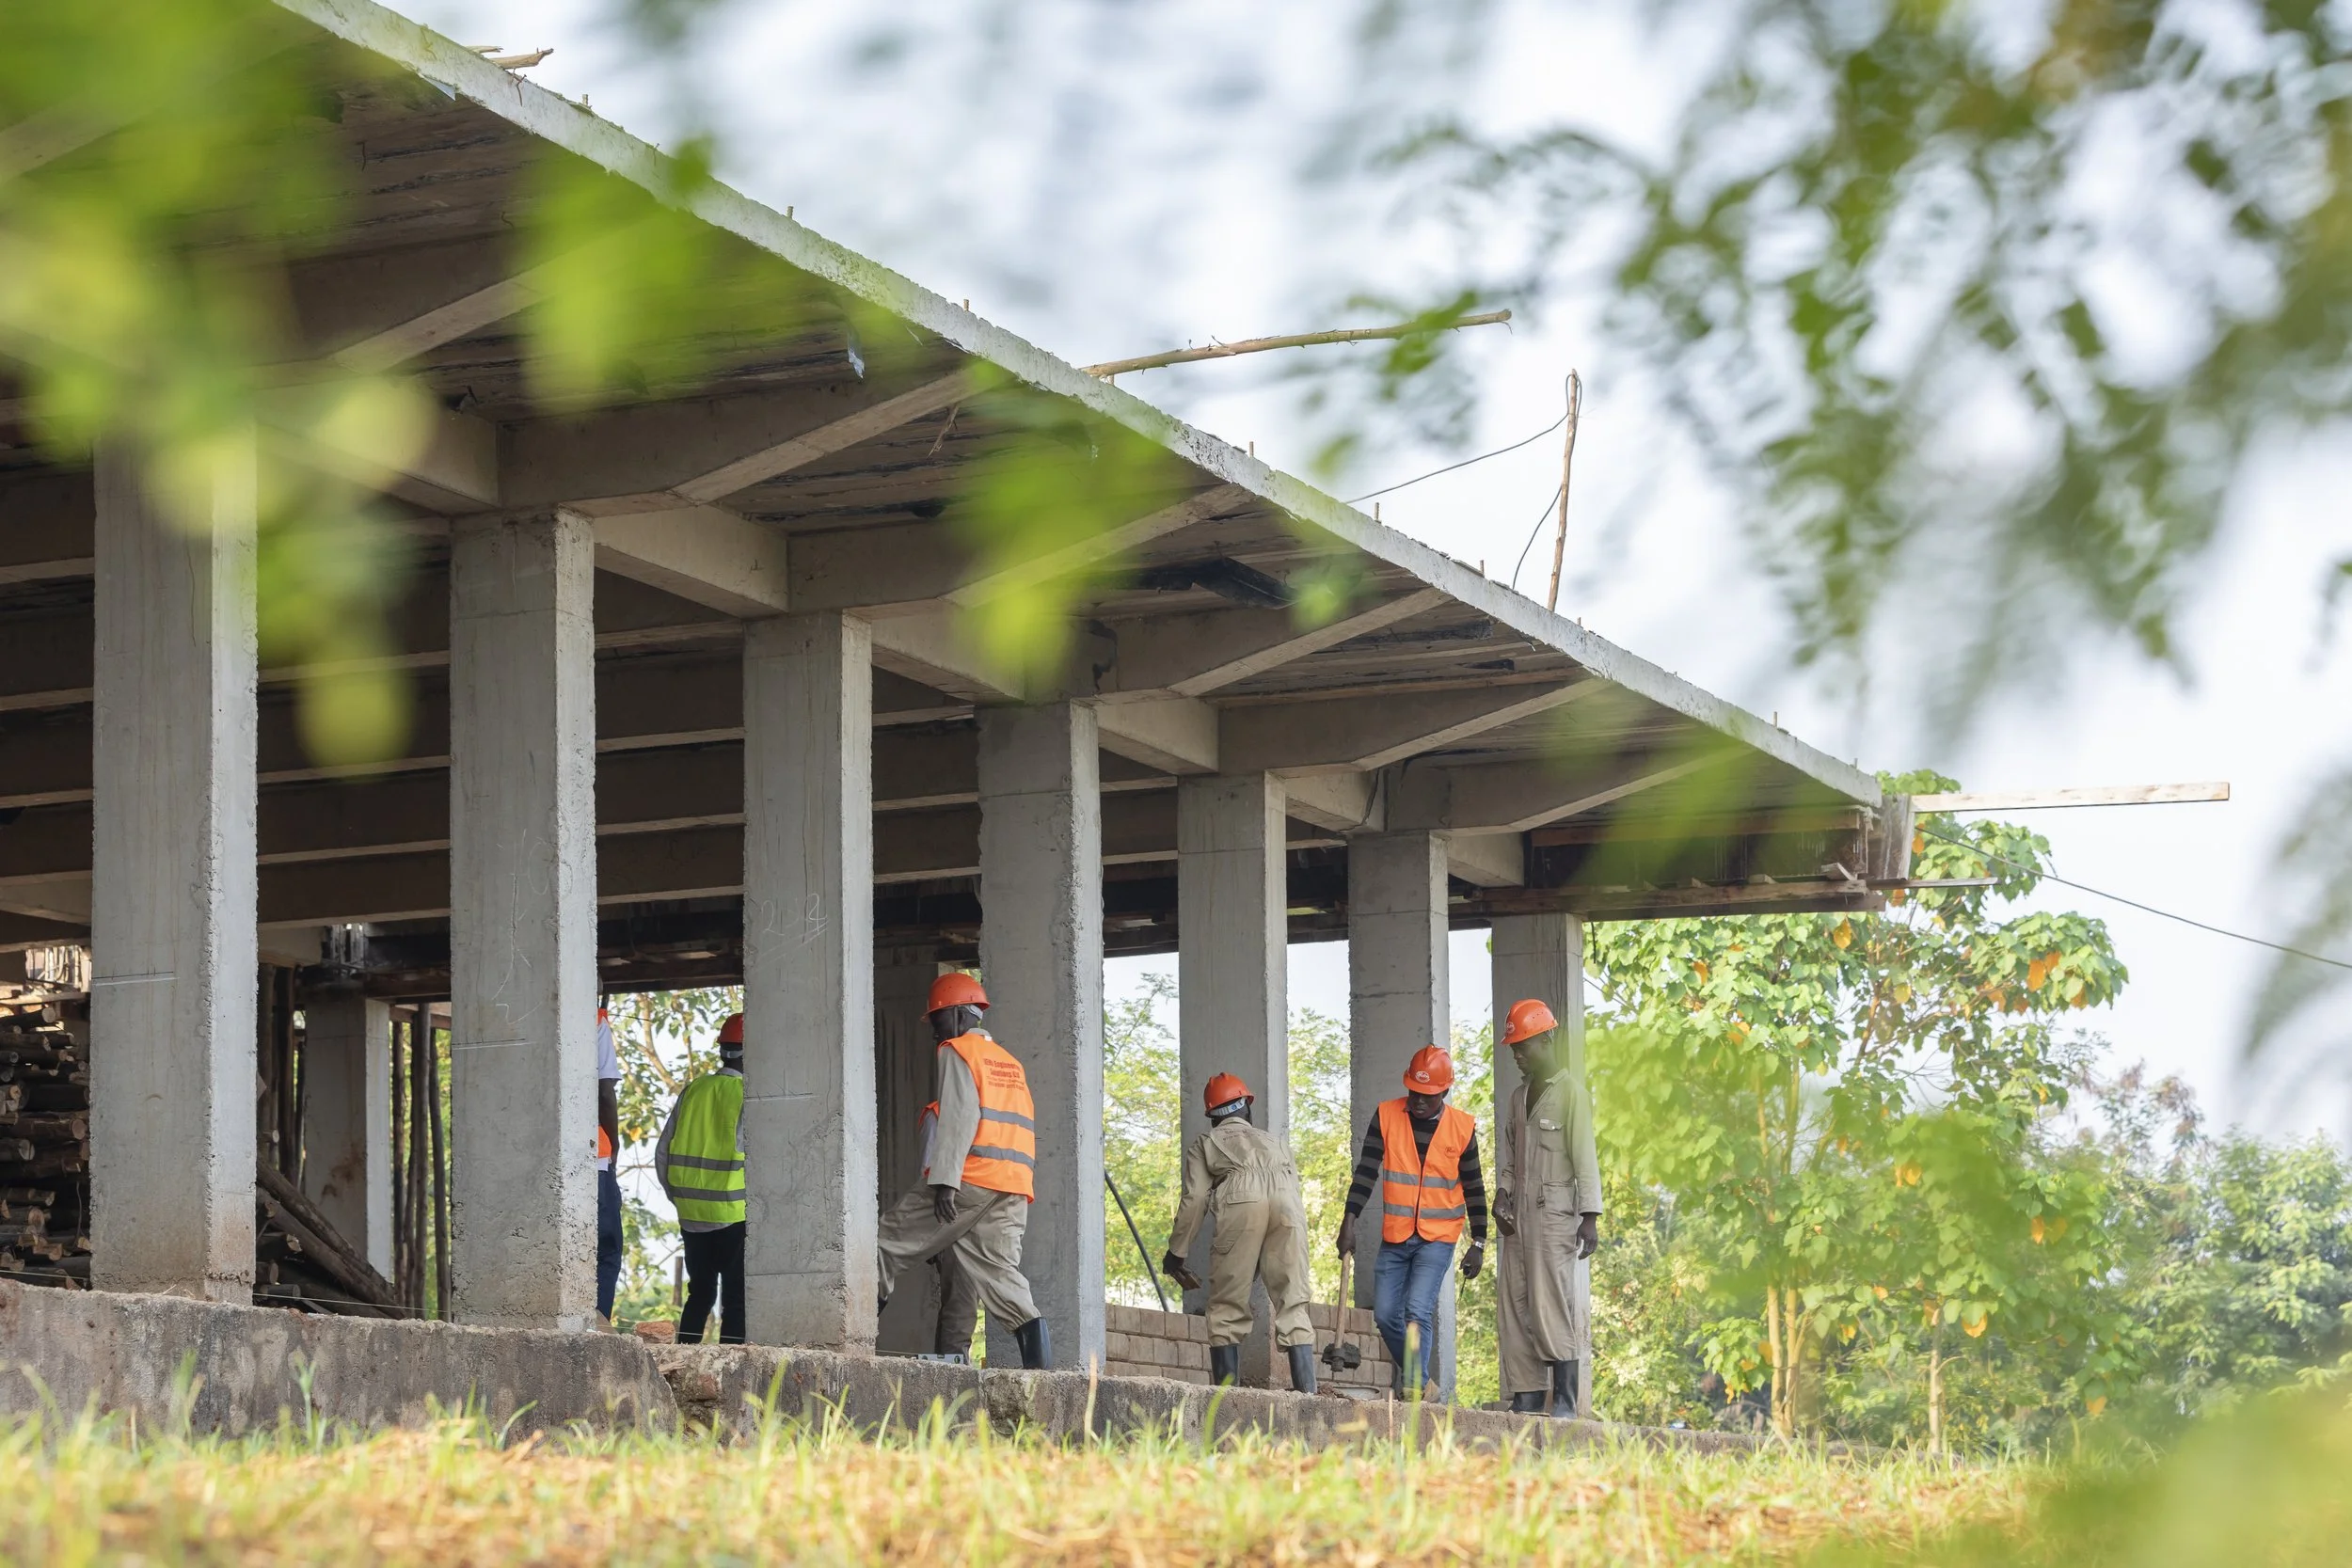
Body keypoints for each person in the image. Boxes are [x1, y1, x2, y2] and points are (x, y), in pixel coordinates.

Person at [874, 973, 1053, 1369]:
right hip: (1013, 1185)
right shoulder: (1010, 1063)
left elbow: (958, 1117)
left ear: (956, 1015)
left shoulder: (958, 1051)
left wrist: (944, 1181)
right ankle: (1042, 1375)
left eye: (937, 1019)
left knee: (885, 1244)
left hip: (971, 1177)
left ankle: (849, 1345)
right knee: (1000, 1273)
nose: (935, 1030)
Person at [1337, 1045, 1487, 1398]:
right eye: (1414, 1092)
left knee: (1417, 1309)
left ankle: (1416, 1387)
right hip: (1397, 1235)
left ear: (1444, 1092)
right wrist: (1349, 1220)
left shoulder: (1462, 1128)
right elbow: (1365, 1173)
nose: (1418, 1101)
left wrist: (1478, 1242)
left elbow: (1475, 1187)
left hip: (1438, 1237)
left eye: (1428, 1095)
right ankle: (1421, 1380)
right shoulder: (1386, 1116)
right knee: (1386, 1313)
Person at [1160, 1072, 1319, 1392]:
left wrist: (1176, 1253)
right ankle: (1309, 1397)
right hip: (1288, 1205)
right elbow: (1289, 1194)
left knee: (1226, 1308)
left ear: (1212, 1116)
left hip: (1241, 1202)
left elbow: (1194, 1201)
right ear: (1246, 1106)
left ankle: (1227, 1403)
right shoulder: (1277, 1143)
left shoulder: (1207, 1143)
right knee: (1293, 1301)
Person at [1494, 998, 1602, 1418]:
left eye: (1523, 1046)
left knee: (1550, 1303)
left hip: (1556, 1216)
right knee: (1515, 1304)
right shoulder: (1517, 1098)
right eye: (1514, 1048)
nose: (1517, 1055)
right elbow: (1509, 1157)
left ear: (1546, 1039)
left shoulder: (1573, 1095)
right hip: (1517, 1221)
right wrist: (1502, 1194)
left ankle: (1565, 1401)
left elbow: (1585, 1157)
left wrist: (1589, 1217)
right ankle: (1525, 1396)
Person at [655, 1012, 746, 1344]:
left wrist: (678, 1196)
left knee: (700, 1294)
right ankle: (733, 1373)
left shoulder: (693, 1090)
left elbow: (663, 1151)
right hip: (734, 1216)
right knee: (736, 1300)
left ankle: (684, 1358)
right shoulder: (746, 1095)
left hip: (691, 1216)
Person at [915, 1097, 981, 1358]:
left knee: (964, 1305)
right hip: (954, 1224)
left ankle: (951, 1373)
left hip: (985, 1221)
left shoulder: (987, 1115)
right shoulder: (939, 1114)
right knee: (960, 1307)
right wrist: (931, 1234)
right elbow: (927, 1178)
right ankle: (954, 1379)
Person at [595, 1005, 625, 1327]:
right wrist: (613, 1144)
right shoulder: (595, 1019)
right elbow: (605, 1091)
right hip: (592, 1159)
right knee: (606, 1250)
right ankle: (598, 1326)